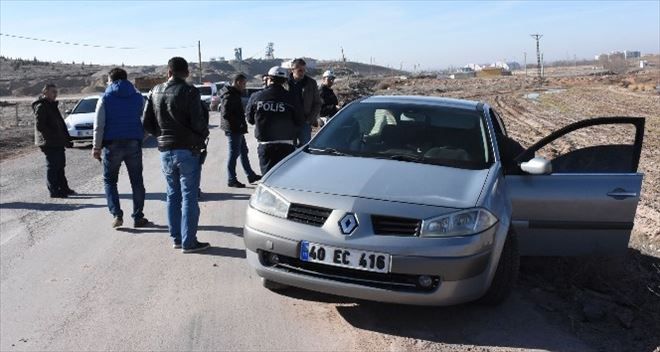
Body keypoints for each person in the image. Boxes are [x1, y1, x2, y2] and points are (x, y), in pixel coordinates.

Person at [143, 57, 210, 253]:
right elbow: (199, 123)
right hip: (187, 150)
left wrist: (162, 136)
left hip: (166, 150)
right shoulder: (190, 91)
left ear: (168, 72)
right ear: (186, 72)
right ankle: (189, 242)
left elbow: (146, 124)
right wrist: (200, 136)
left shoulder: (154, 91)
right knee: (189, 196)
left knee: (172, 195)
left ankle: (177, 239)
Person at [92, 68, 149, 228]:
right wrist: (141, 137)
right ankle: (138, 217)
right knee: (137, 181)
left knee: (110, 181)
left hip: (112, 145)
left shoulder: (105, 98)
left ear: (111, 80)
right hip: (133, 143)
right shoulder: (138, 98)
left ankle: (117, 215)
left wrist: (96, 147)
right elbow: (146, 120)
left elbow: (99, 125)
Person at [247, 66, 304, 174]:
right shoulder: (292, 98)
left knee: (268, 179)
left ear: (269, 79)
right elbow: (300, 121)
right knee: (284, 179)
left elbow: (250, 119)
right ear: (284, 81)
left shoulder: (256, 97)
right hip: (287, 145)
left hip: (265, 145)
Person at [33, 83, 75, 198]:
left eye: (56, 92)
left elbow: (60, 124)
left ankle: (64, 188)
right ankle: (54, 191)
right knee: (53, 166)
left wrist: (66, 139)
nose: (55, 94)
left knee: (60, 165)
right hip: (49, 142)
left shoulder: (52, 105)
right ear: (45, 92)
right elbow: (40, 126)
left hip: (58, 141)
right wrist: (53, 136)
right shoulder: (42, 106)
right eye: (53, 92)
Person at [219, 73, 261, 188]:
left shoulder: (234, 93)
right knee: (234, 155)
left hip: (238, 129)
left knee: (244, 152)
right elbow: (226, 114)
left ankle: (250, 175)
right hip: (234, 129)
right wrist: (238, 123)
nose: (244, 86)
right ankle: (232, 179)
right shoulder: (229, 95)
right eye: (243, 83)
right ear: (237, 82)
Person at [288, 58, 321, 147]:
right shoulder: (285, 83)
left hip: (305, 123)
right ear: (292, 70)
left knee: (305, 150)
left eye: (304, 70)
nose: (302, 73)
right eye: (300, 70)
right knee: (289, 151)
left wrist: (309, 120)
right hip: (289, 123)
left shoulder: (311, 83)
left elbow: (317, 103)